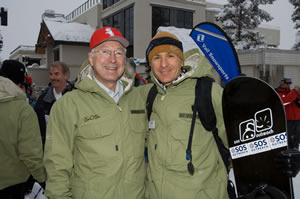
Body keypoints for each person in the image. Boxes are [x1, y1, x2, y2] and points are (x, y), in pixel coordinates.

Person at [43, 26, 149, 199]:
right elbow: (57, 166)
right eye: (105, 51)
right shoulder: (68, 105)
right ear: (91, 58)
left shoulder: (140, 98)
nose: (112, 59)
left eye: (119, 53)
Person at [145, 32, 229, 199]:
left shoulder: (208, 92)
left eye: (170, 56)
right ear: (150, 64)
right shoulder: (151, 96)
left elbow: (241, 141)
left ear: (181, 60)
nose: (163, 64)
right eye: (156, 58)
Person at [0, 60, 46, 199]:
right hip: (11, 184)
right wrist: (42, 177)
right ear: (21, 84)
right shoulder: (22, 110)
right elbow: (30, 153)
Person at [35, 61, 71, 146]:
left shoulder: (75, 97)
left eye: (56, 74)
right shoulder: (43, 100)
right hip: (51, 147)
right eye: (51, 74)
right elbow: (39, 128)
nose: (53, 77)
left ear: (66, 76)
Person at [276, 77, 300, 149]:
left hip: (298, 120)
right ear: (281, 84)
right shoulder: (278, 93)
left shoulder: (291, 93)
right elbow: (285, 101)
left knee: (297, 139)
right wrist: (295, 91)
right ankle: (290, 153)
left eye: (289, 84)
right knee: (289, 139)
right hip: (288, 120)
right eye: (287, 84)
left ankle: (296, 153)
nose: (288, 85)